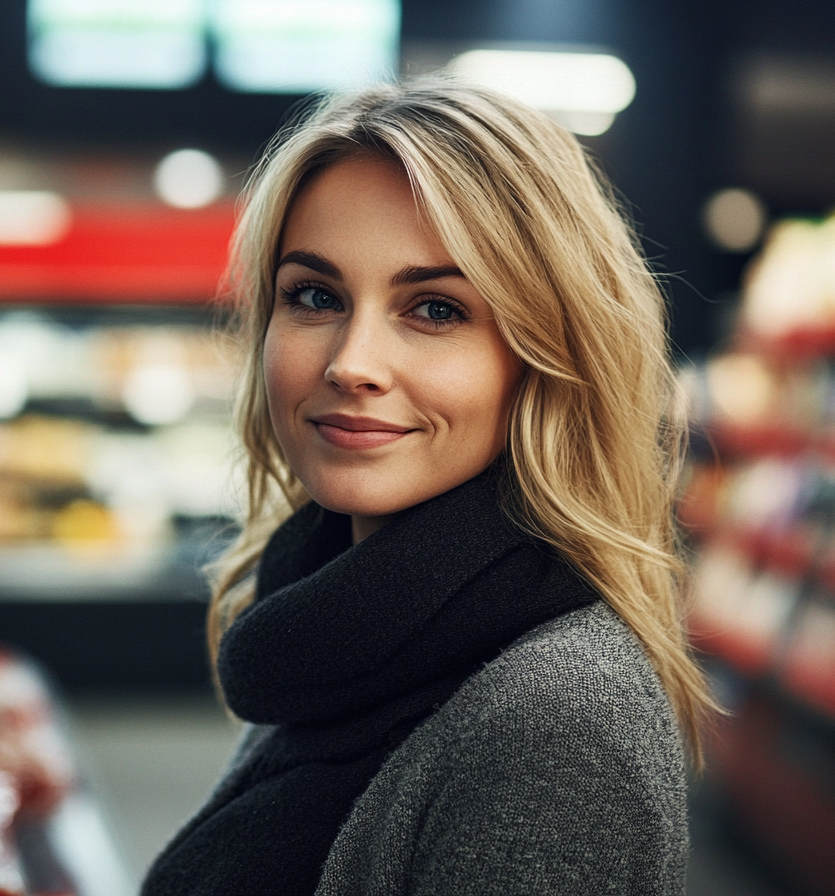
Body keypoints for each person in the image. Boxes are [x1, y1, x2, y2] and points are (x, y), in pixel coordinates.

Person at [142, 76, 714, 896]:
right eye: (314, 296)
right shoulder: (336, 629)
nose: (351, 363)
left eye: (436, 310)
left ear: (549, 354)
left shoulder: (555, 727)